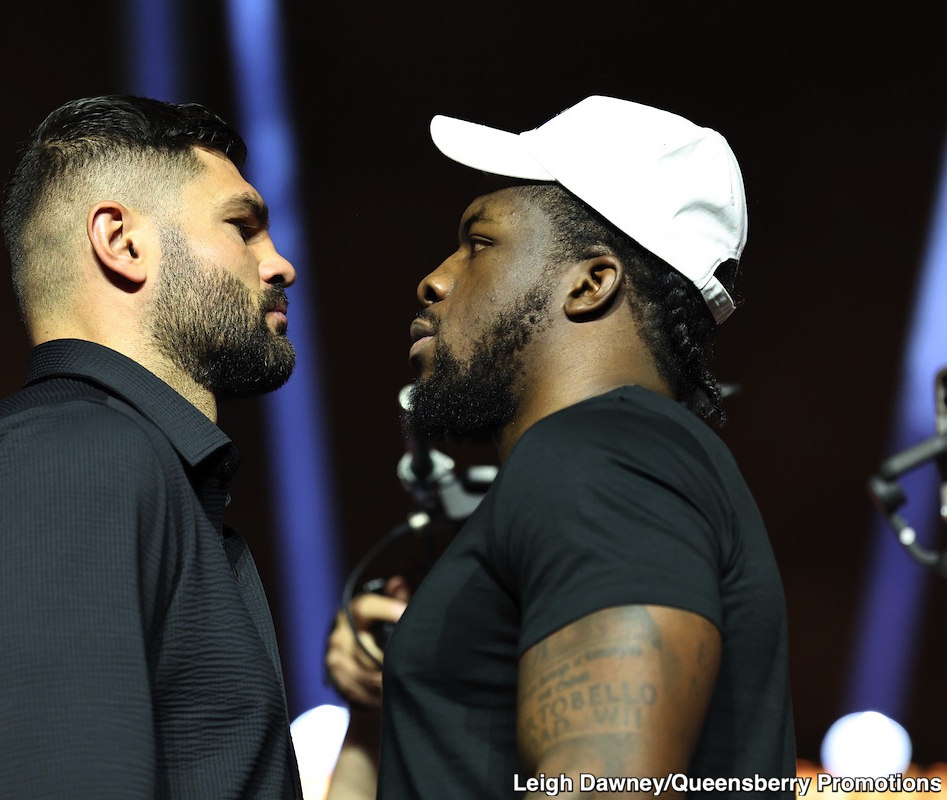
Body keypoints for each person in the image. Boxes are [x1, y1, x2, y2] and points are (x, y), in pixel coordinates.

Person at [325, 96, 794, 798]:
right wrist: (382, 707)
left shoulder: (602, 454)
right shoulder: (605, 460)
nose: (435, 279)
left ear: (590, 283)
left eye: (479, 243)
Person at [0, 96, 303, 798]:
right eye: (243, 227)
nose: (280, 264)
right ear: (122, 241)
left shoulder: (100, 461)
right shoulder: (72, 459)